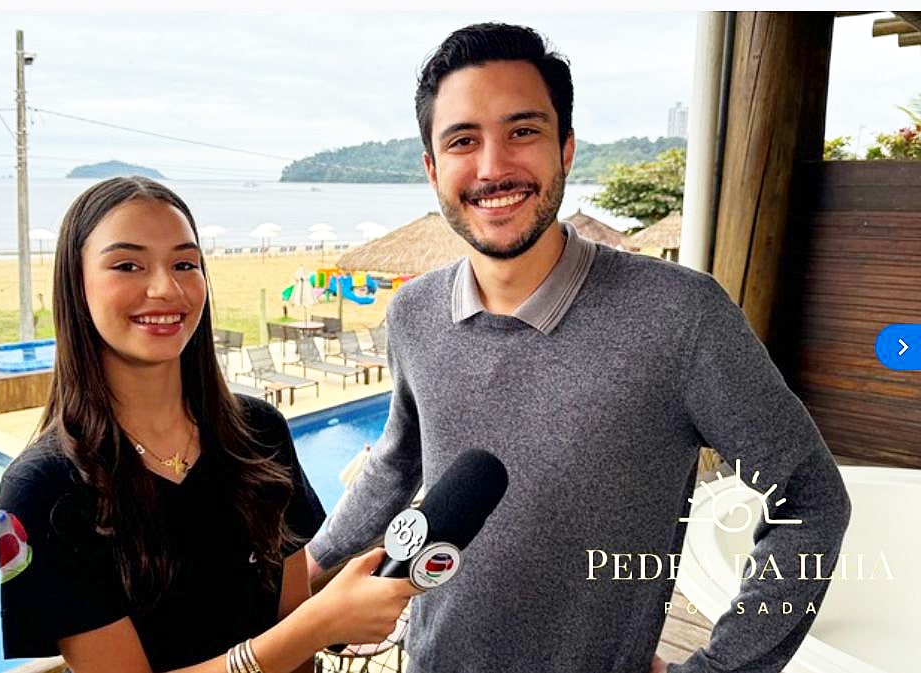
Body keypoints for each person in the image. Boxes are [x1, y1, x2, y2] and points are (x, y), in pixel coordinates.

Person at [306, 23, 851, 673]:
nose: (492, 165)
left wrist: (719, 666)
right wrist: (306, 571)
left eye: (523, 131)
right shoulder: (414, 312)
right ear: (431, 167)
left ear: (566, 148)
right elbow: (399, 459)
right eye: (462, 140)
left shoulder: (682, 316)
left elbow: (811, 497)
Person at [0, 176, 418, 673]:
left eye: (184, 264)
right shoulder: (44, 488)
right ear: (77, 285)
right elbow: (299, 631)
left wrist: (317, 624)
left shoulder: (259, 433)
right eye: (128, 264)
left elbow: (293, 631)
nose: (165, 288)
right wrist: (318, 624)